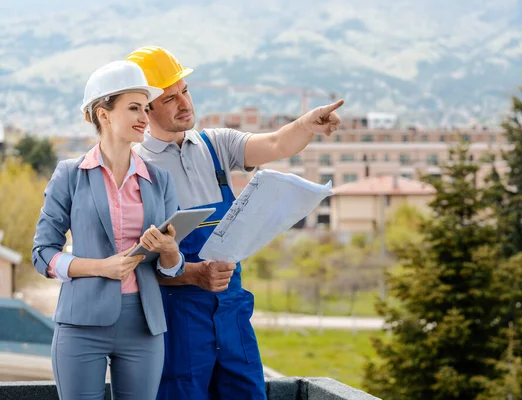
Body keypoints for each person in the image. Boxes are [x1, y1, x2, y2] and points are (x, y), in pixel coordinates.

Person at [127, 46, 343, 400]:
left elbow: (275, 143)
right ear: (145, 108)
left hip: (231, 309)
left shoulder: (216, 145)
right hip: (177, 318)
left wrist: (307, 124)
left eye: (186, 91)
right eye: (169, 98)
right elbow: (131, 260)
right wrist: (192, 273)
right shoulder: (136, 167)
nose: (184, 103)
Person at [32, 60, 186, 400]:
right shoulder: (69, 175)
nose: (145, 117)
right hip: (80, 324)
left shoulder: (160, 181)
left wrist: (170, 250)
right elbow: (42, 254)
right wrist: (101, 267)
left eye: (145, 108)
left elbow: (172, 269)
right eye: (134, 108)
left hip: (144, 325)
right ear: (104, 114)